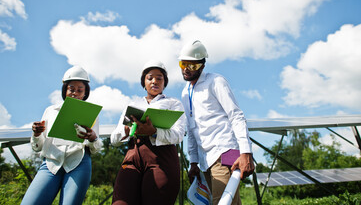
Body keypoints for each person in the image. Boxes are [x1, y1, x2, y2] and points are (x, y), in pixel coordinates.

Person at [179, 40, 255, 205]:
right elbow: (191, 129)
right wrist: (193, 162)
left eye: (192, 65)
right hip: (205, 161)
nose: (186, 68)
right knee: (228, 202)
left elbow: (236, 115)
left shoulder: (216, 81)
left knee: (222, 202)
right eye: (183, 63)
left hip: (225, 152)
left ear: (202, 65)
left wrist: (246, 152)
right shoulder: (185, 92)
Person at [21, 66, 102, 205]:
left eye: (79, 90)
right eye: (71, 89)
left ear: (85, 92)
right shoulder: (51, 111)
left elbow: (96, 149)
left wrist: (93, 138)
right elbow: (37, 147)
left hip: (78, 163)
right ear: (65, 90)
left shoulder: (91, 113)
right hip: (51, 162)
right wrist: (36, 134)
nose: (75, 93)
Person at [111, 60, 186, 205]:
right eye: (150, 77)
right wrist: (125, 130)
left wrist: (154, 132)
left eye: (159, 78)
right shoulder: (132, 105)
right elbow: (114, 140)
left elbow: (178, 135)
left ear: (165, 82)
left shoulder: (173, 103)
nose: (154, 81)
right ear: (143, 82)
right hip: (133, 155)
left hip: (161, 158)